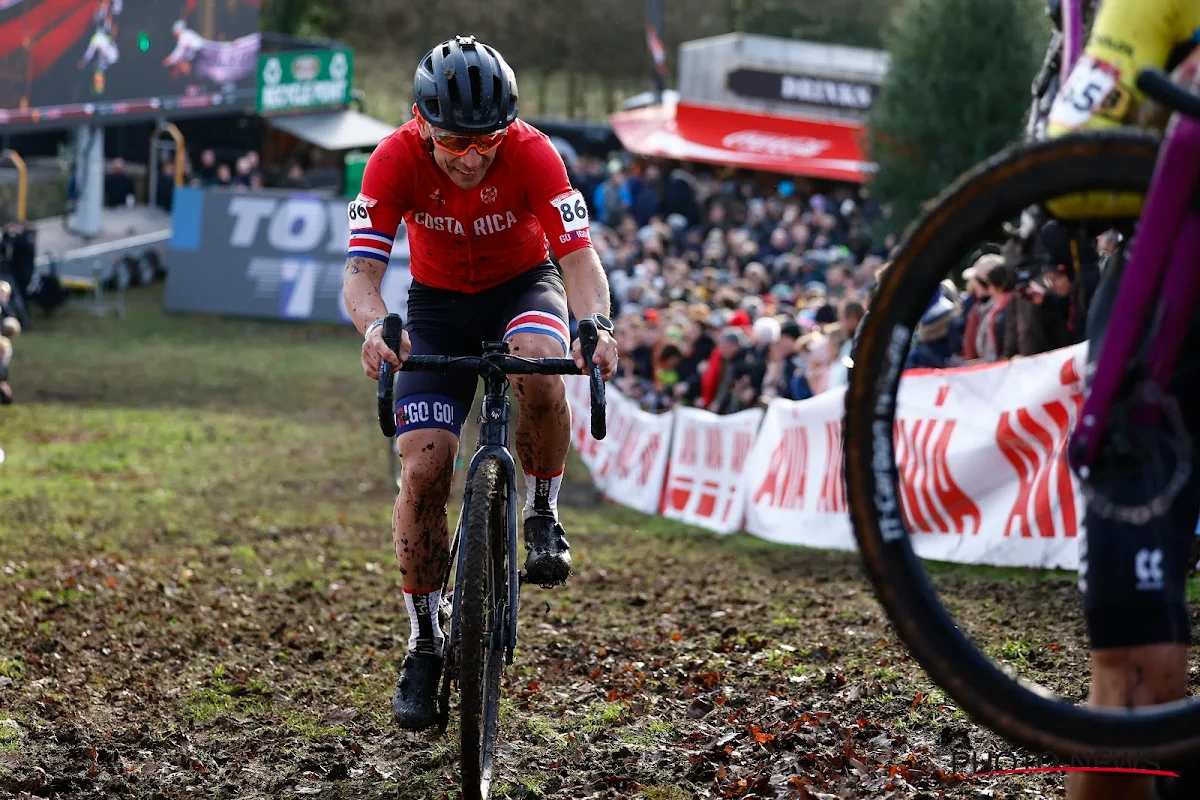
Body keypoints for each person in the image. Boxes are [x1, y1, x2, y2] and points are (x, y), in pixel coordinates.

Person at [340, 35, 618, 732]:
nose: (471, 158)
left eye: (486, 141)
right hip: (436, 308)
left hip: (524, 288)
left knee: (541, 370)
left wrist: (599, 325)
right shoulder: (393, 156)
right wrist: (375, 326)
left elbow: (580, 262)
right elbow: (359, 275)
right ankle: (425, 641)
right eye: (453, 142)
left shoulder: (535, 153)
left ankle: (542, 507)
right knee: (426, 468)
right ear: (419, 119)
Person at [1045, 2, 1200, 798]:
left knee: (1141, 674)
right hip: (1167, 310)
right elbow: (1068, 180)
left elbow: (1066, 178)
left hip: (1166, 313)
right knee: (1140, 670)